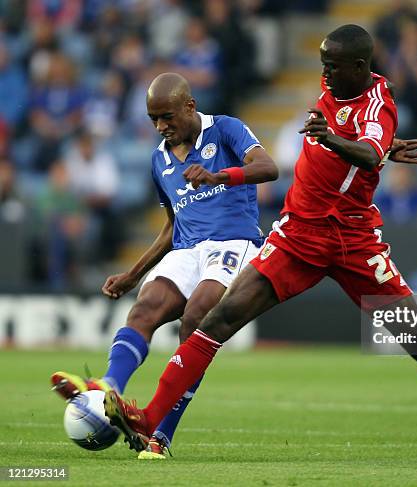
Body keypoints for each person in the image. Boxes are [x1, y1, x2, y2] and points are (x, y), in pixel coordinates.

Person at [103, 25, 417, 464]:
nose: (324, 73)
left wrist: (357, 143)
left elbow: (364, 150)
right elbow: (361, 151)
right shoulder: (337, 93)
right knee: (217, 320)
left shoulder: (378, 104)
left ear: (359, 67)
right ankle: (151, 419)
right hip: (298, 235)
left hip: (353, 241)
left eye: (332, 66)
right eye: (323, 64)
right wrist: (379, 147)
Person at [50, 72, 279, 459]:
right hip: (187, 249)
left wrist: (218, 175)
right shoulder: (159, 158)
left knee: (195, 320)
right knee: (143, 308)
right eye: (154, 119)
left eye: (168, 117)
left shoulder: (225, 129)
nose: (162, 127)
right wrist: (133, 274)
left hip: (233, 242)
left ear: (190, 105)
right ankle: (108, 387)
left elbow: (268, 167)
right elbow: (172, 226)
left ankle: (161, 434)